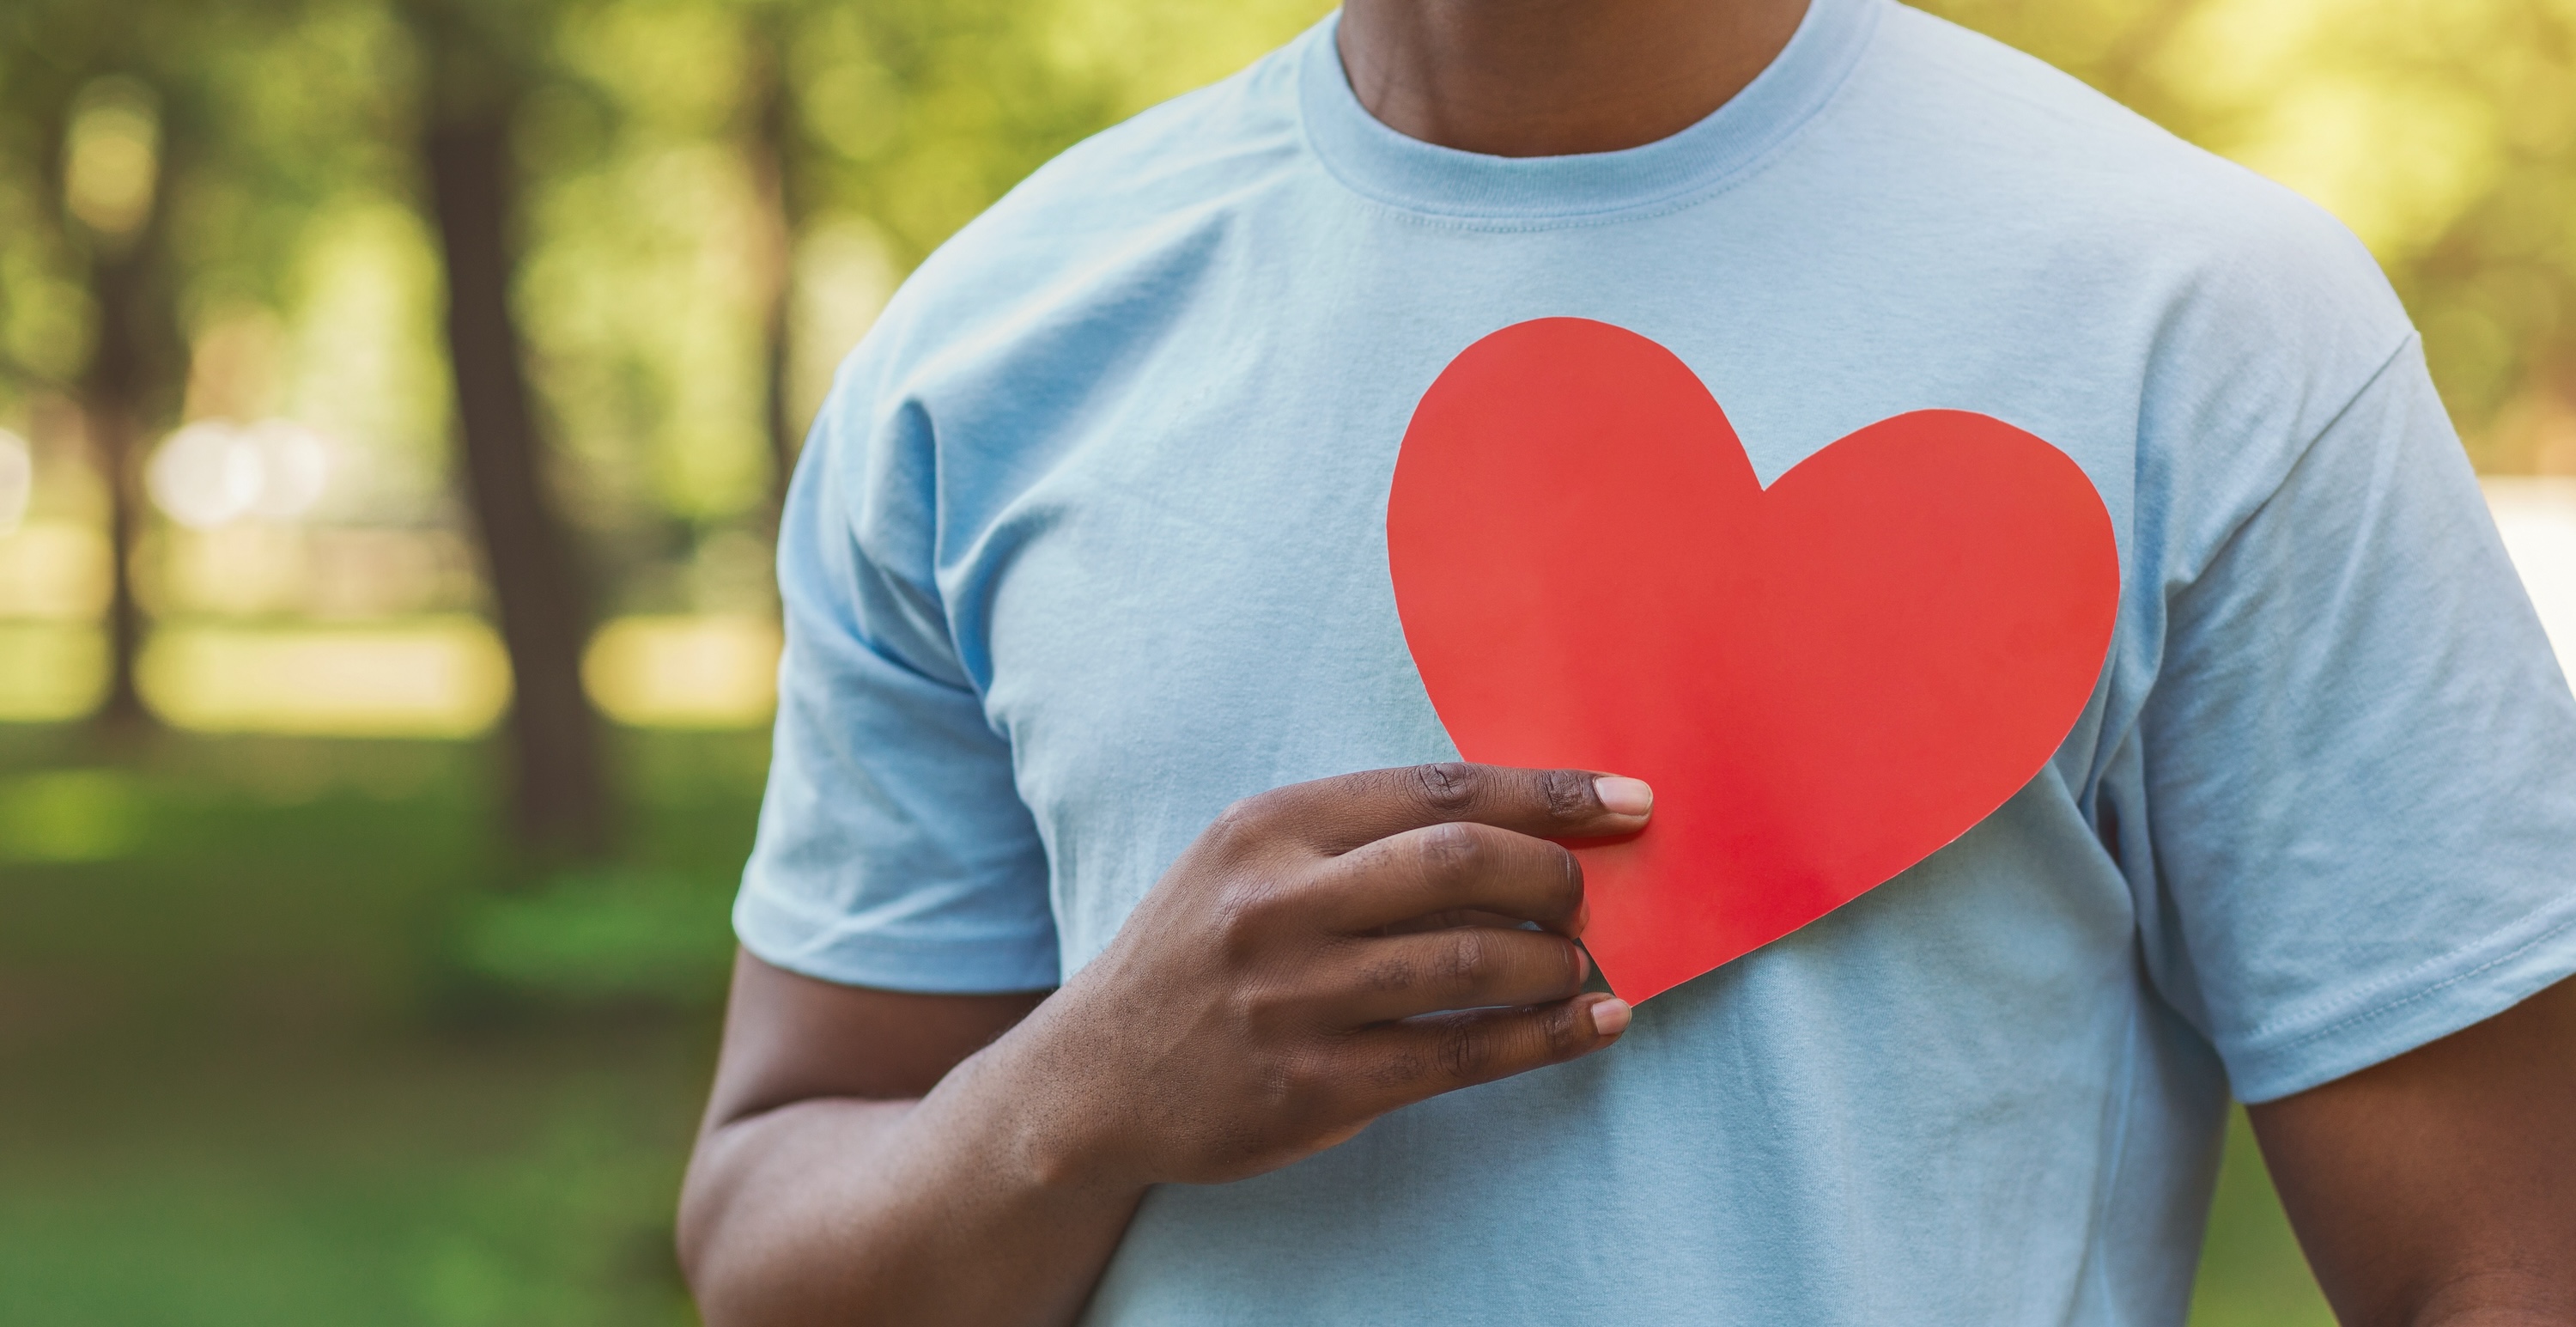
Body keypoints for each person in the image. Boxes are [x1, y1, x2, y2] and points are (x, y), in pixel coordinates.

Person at [675, 0, 2576, 1322]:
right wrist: (1074, 1094)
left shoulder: (2203, 319)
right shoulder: (990, 350)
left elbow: (2500, 1258)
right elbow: (770, 1239)